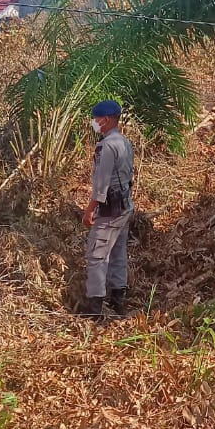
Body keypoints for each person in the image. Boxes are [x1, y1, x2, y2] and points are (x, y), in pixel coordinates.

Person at [81, 99, 135, 318]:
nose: (94, 123)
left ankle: (94, 307)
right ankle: (117, 299)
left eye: (96, 119)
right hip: (124, 205)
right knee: (118, 252)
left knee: (97, 255)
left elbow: (101, 184)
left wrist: (89, 209)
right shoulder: (124, 141)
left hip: (109, 208)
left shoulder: (106, 146)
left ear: (106, 119)